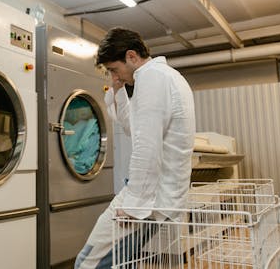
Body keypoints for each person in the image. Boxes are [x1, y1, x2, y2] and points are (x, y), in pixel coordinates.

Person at [75, 27, 195, 268]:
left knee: (87, 264)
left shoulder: (152, 77)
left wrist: (133, 205)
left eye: (114, 70)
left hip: (149, 198)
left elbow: (147, 147)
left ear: (131, 56)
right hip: (159, 196)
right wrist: (118, 89)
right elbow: (135, 128)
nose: (114, 76)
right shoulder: (165, 77)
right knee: (120, 262)